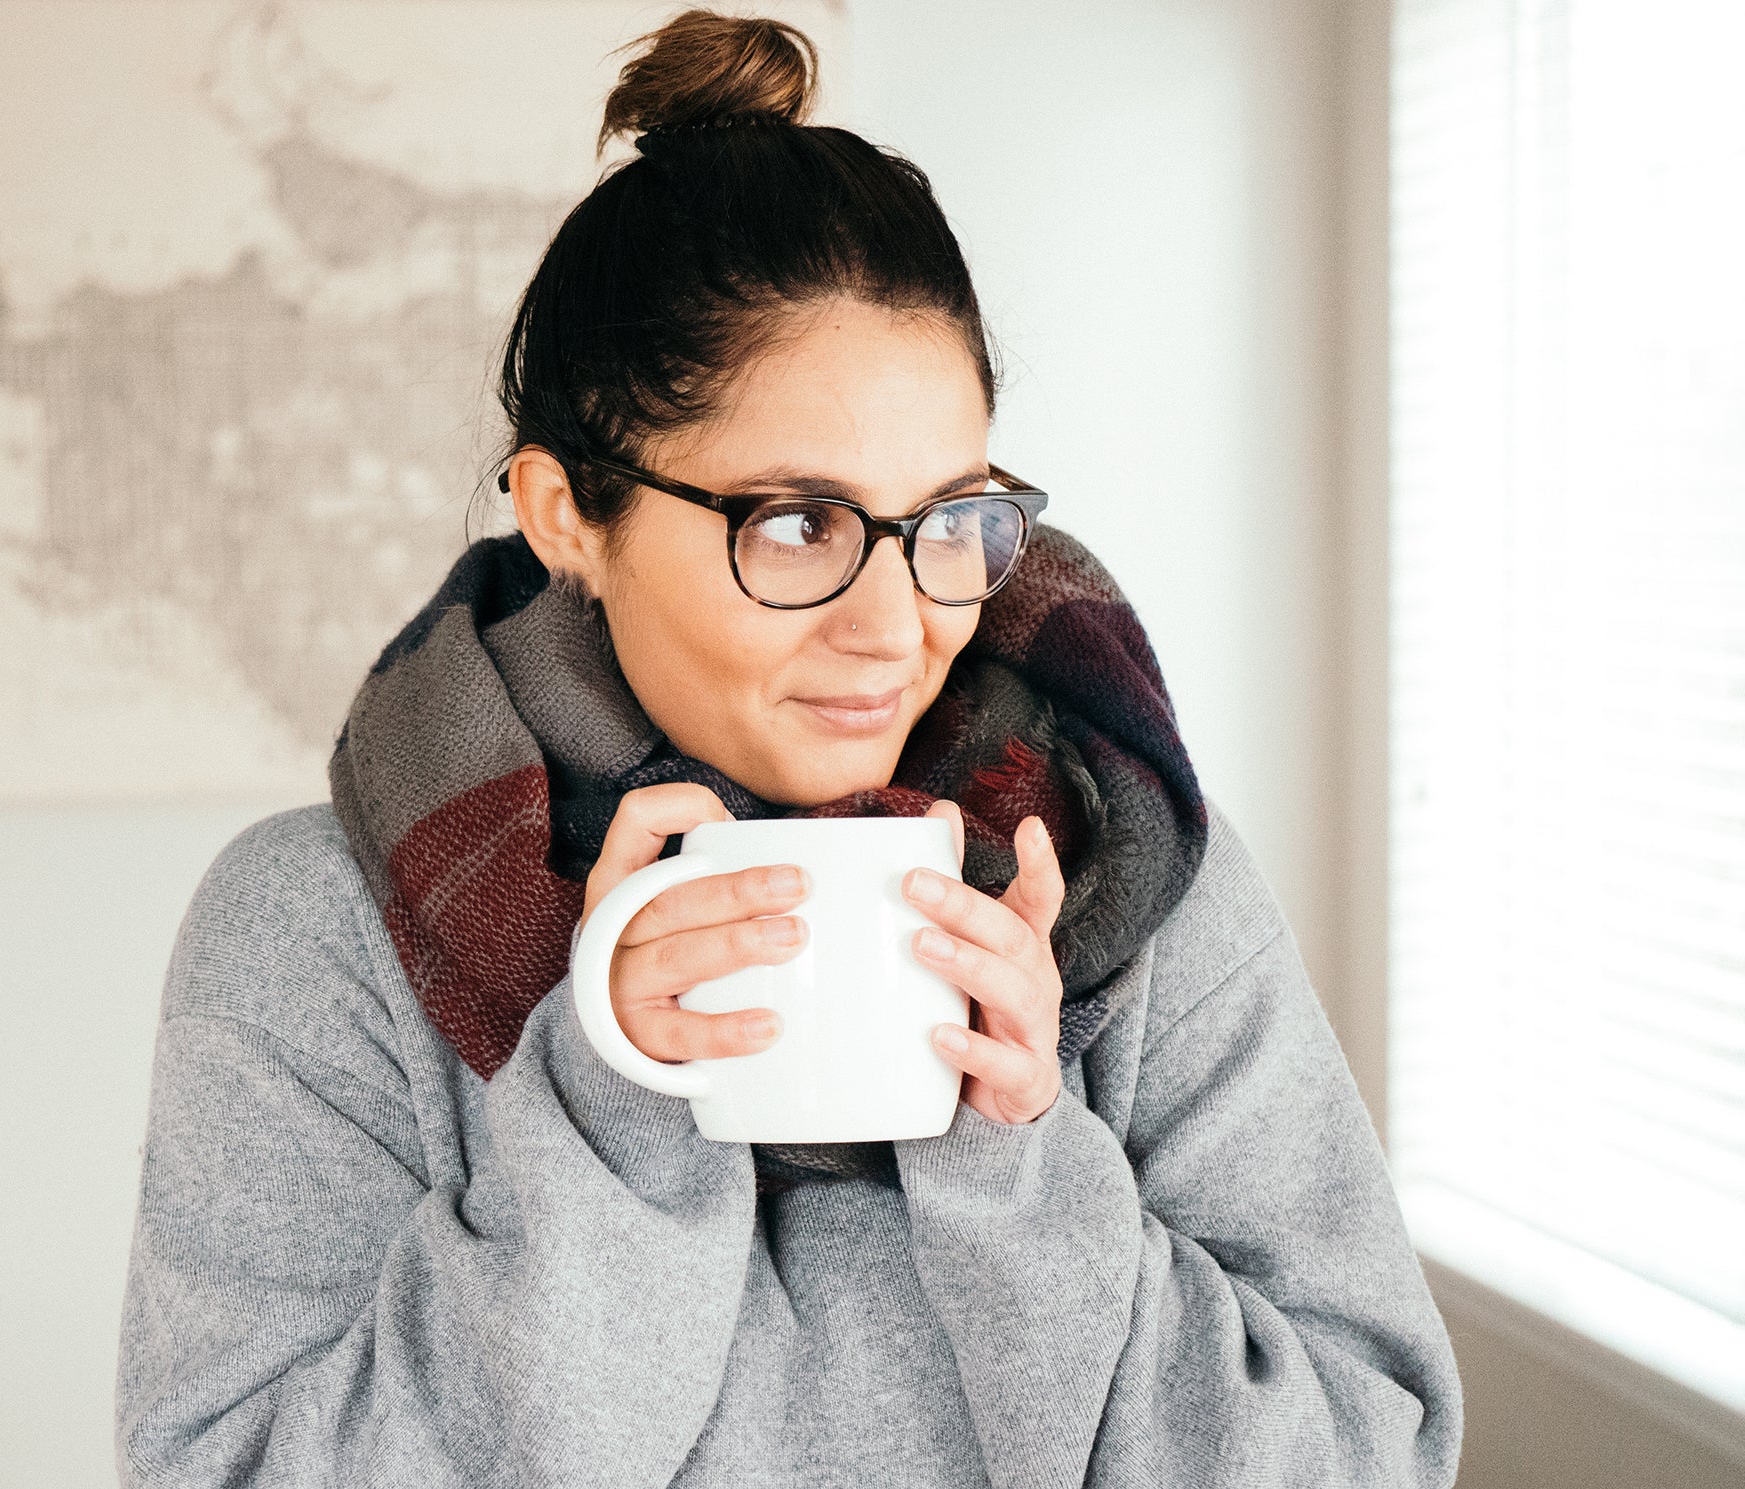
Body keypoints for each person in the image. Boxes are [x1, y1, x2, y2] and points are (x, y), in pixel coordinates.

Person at [114, 10, 1464, 1486]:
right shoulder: (314, 933)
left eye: (948, 521)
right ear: (568, 512)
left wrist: (1023, 1155)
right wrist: (612, 1095)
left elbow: (1368, 1455)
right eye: (800, 523)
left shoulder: (1112, 857)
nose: (897, 626)